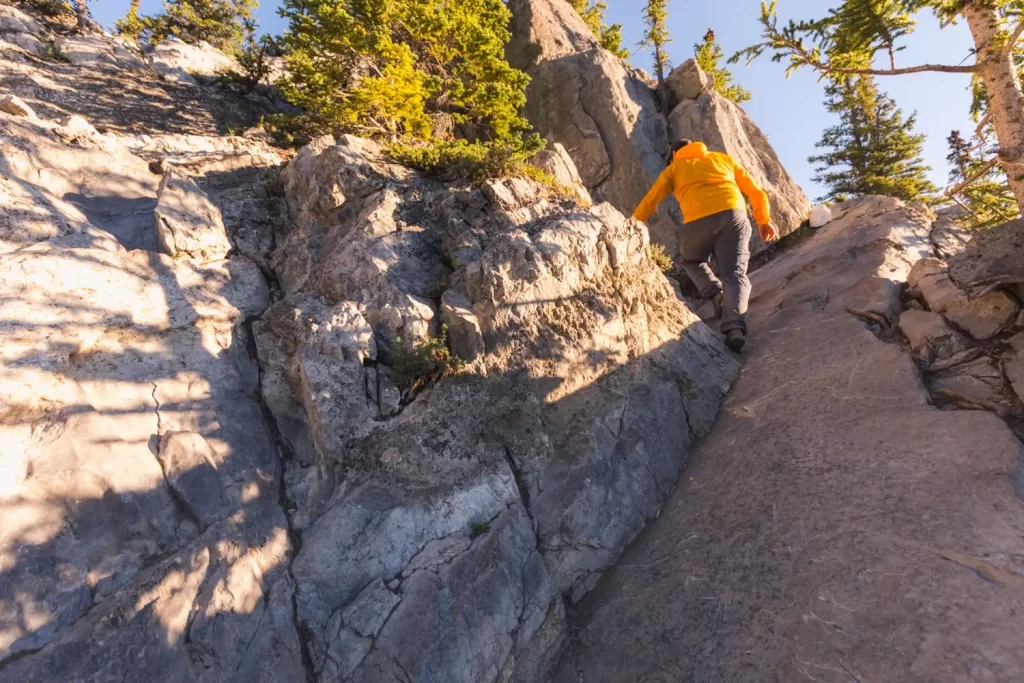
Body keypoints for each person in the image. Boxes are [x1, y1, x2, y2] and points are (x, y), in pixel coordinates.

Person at [632, 139, 778, 353]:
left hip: (697, 222)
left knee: (691, 260)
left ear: (673, 155)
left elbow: (652, 198)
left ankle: (714, 292)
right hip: (733, 217)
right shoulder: (722, 159)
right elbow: (756, 191)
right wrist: (764, 220)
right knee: (735, 273)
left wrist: (633, 222)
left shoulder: (675, 168)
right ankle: (734, 328)